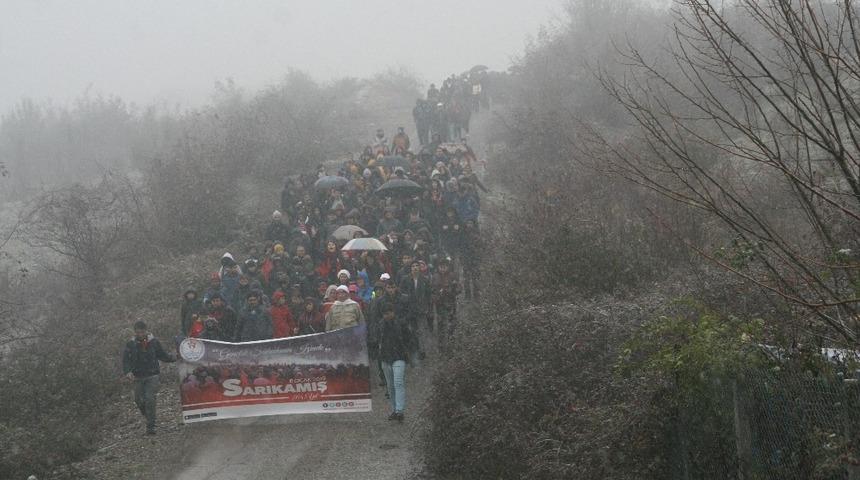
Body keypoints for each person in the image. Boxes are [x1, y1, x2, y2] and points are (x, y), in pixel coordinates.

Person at [122, 321, 175, 435]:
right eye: (137, 332)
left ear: (146, 331)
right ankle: (149, 416)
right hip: (137, 377)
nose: (140, 334)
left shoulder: (154, 342)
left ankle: (150, 426)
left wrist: (175, 357)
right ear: (135, 332)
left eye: (142, 331)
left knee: (150, 399)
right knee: (138, 400)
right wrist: (128, 372)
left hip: (152, 375)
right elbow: (125, 360)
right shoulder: (130, 344)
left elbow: (162, 355)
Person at [377, 304, 417, 423]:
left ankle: (399, 410)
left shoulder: (401, 324)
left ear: (393, 312)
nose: (387, 315)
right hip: (385, 357)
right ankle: (395, 409)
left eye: (389, 312)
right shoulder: (380, 325)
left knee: (398, 382)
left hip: (399, 356)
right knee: (390, 385)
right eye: (385, 313)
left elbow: (410, 339)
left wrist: (409, 352)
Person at [431, 257, 460, 352]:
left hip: (451, 303)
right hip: (440, 304)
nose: (442, 268)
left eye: (444, 266)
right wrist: (437, 295)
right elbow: (431, 291)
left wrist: (451, 290)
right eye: (441, 267)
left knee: (452, 324)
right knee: (441, 325)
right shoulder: (434, 277)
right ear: (438, 267)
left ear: (448, 267)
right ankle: (441, 346)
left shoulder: (452, 276)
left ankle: (451, 344)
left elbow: (459, 289)